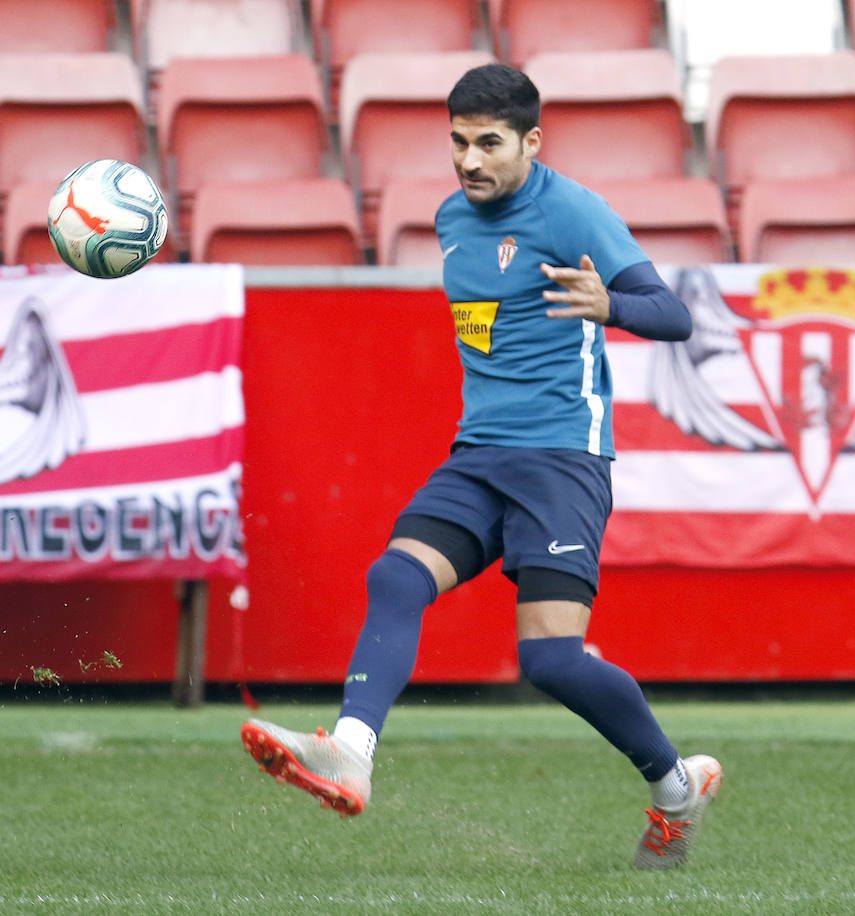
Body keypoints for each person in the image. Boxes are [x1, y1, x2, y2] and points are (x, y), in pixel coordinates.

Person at [240, 63, 722, 870]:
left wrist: (611, 306)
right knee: (395, 578)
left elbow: (672, 314)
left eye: (489, 143)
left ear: (531, 143)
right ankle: (349, 750)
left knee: (550, 661)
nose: (470, 160)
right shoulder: (450, 218)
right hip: (478, 455)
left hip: (563, 458)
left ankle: (677, 785)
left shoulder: (573, 210)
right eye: (459, 142)